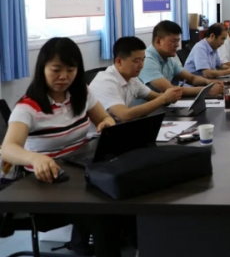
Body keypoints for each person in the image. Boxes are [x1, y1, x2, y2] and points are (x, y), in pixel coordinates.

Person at [0, 38, 134, 257]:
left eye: (71, 70)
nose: (64, 76)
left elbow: (105, 118)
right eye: (56, 70)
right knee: (104, 214)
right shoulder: (28, 107)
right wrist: (35, 158)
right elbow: (8, 148)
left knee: (128, 196)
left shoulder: (81, 93)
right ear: (42, 69)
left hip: (80, 173)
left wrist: (106, 124)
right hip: (46, 185)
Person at [89, 37, 184, 121]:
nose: (141, 65)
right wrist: (163, 99)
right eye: (137, 61)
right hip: (99, 133)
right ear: (119, 61)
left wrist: (170, 96)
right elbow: (124, 115)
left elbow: (154, 96)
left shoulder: (132, 79)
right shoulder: (106, 81)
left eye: (143, 60)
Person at [139, 20, 224, 98]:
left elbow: (192, 79)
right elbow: (171, 90)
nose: (177, 45)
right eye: (173, 41)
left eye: (178, 41)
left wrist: (209, 82)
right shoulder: (147, 60)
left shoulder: (168, 59)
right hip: (148, 109)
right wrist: (207, 90)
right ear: (158, 41)